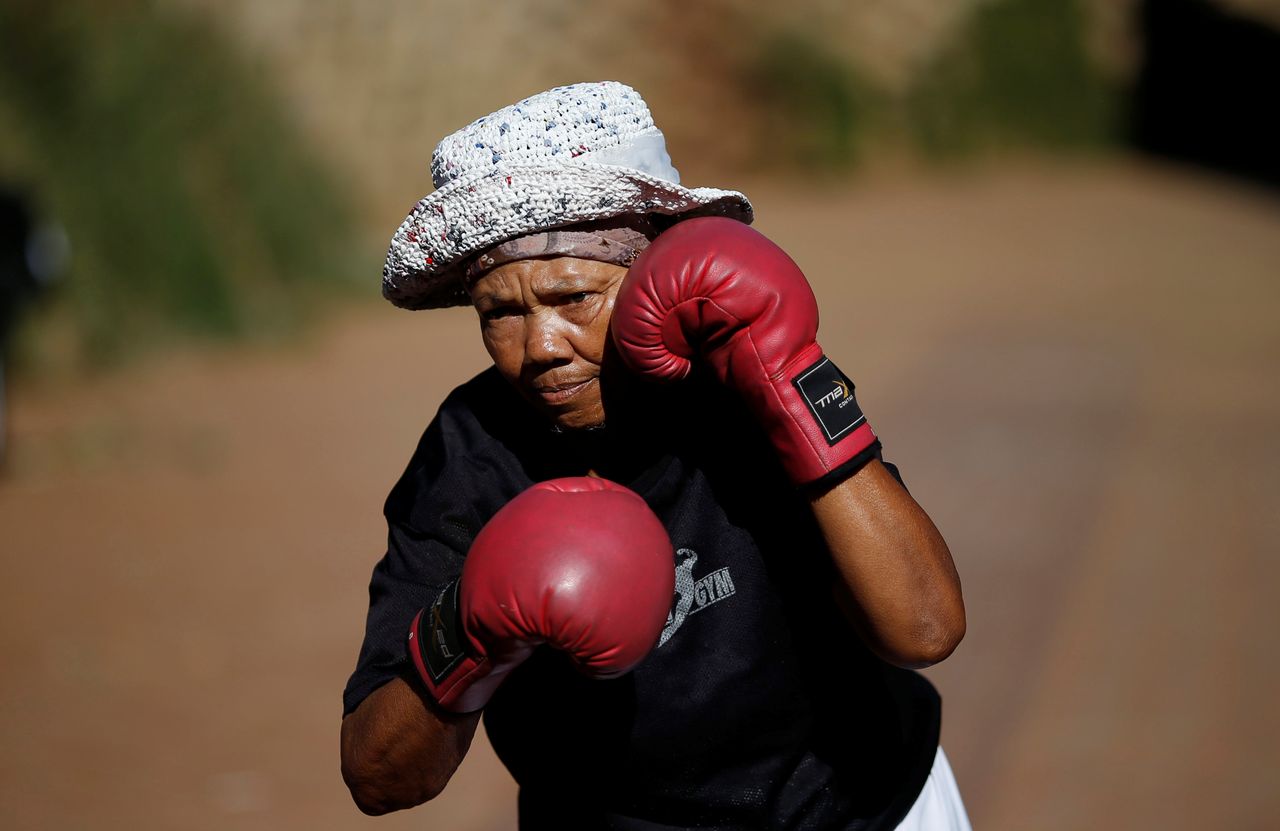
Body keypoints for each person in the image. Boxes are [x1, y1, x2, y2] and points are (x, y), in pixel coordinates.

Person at [340, 81, 970, 830]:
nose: (539, 347)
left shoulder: (746, 377)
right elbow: (376, 775)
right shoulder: (467, 457)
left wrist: (794, 386)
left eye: (573, 296)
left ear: (652, 276)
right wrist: (470, 631)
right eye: (501, 313)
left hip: (867, 805)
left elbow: (925, 628)